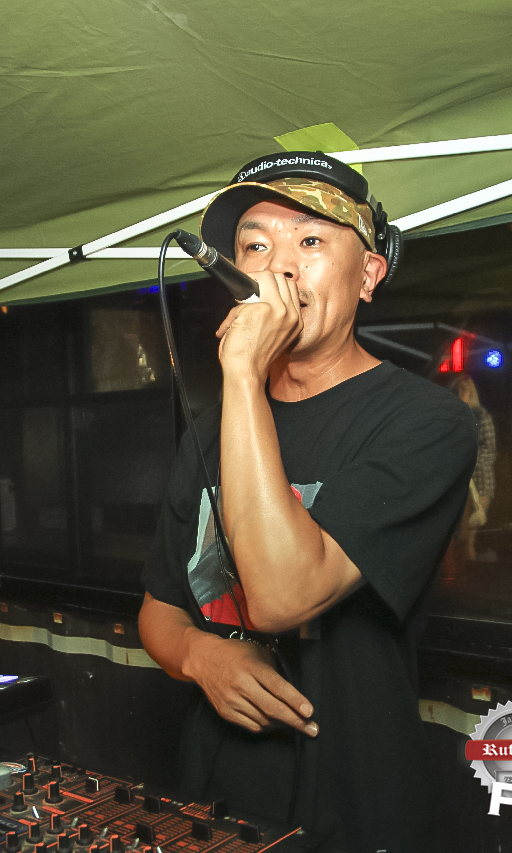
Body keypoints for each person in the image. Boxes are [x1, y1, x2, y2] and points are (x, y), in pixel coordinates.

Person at [138, 152, 477, 851]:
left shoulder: (424, 422)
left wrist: (241, 374)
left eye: (311, 240)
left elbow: (282, 597)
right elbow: (159, 609)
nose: (280, 269)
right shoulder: (209, 432)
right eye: (256, 246)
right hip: (215, 800)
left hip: (353, 806)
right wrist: (201, 655)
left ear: (369, 276)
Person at [449, 373, 496, 561]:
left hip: (480, 475)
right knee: (460, 520)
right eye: (458, 390)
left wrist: (471, 459)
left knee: (475, 519)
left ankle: (470, 556)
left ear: (471, 392)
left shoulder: (481, 415)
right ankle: (462, 558)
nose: (461, 394)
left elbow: (490, 448)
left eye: (464, 390)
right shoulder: (453, 416)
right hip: (460, 475)